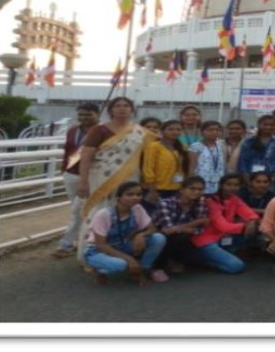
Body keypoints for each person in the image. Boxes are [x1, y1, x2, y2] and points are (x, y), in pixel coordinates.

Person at [76, 97, 156, 264]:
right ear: (111, 110)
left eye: (126, 105)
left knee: (127, 211)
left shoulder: (139, 132)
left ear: (132, 110)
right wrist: (83, 181)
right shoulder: (99, 130)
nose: (122, 108)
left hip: (130, 178)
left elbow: (147, 156)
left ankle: (124, 250)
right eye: (117, 106)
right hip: (101, 178)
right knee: (99, 211)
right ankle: (90, 253)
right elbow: (86, 156)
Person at [82, 181, 168, 285]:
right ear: (119, 197)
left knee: (159, 238)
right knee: (120, 265)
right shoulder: (104, 214)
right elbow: (101, 245)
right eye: (129, 194)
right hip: (98, 250)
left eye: (138, 194)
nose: (135, 198)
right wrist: (129, 259)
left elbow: (152, 228)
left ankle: (143, 268)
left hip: (122, 245)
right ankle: (100, 270)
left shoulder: (137, 209)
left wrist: (141, 235)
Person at [52, 102, 100, 259]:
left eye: (88, 114)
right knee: (77, 208)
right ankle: (81, 241)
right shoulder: (73, 131)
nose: (84, 117)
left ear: (98, 114)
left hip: (92, 175)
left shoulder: (103, 131)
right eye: (81, 114)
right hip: (71, 173)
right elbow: (68, 150)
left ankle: (66, 244)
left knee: (78, 210)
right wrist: (64, 168)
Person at [192, 174, 260, 274]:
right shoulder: (210, 201)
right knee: (237, 266)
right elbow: (223, 227)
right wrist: (246, 225)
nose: (233, 188)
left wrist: (252, 221)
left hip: (223, 237)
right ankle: (202, 260)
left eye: (236, 185)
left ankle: (218, 257)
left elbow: (250, 214)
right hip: (207, 240)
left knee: (257, 227)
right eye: (229, 184)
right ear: (221, 185)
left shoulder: (234, 199)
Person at [153, 175, 209, 274]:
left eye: (200, 189)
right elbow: (168, 229)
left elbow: (200, 230)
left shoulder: (201, 204)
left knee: (197, 260)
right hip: (162, 238)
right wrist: (196, 223)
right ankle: (156, 267)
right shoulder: (166, 203)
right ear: (182, 190)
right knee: (177, 237)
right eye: (192, 189)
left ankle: (175, 259)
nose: (197, 192)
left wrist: (181, 229)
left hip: (185, 238)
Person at [142, 120, 190, 214]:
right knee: (155, 216)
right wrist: (152, 191)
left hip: (176, 189)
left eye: (178, 129)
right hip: (158, 189)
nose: (175, 132)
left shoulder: (180, 147)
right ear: (162, 131)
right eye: (171, 129)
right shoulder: (154, 146)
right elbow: (148, 169)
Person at [238, 115, 275, 190]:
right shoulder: (248, 142)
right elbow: (242, 163)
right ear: (259, 125)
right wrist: (248, 181)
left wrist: (272, 179)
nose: (268, 127)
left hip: (271, 181)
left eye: (271, 125)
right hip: (250, 179)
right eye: (265, 124)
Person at [188, 120, 227, 195]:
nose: (214, 132)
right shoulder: (196, 146)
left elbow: (223, 164)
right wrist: (191, 182)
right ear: (202, 132)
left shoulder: (221, 145)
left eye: (217, 130)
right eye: (210, 130)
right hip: (201, 181)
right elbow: (192, 166)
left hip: (218, 181)